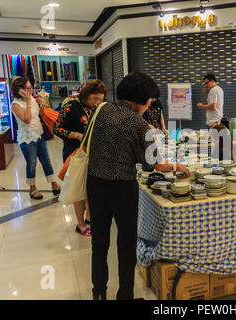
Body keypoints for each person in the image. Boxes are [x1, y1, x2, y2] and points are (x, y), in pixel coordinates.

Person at [86, 72, 190, 300]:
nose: (150, 105)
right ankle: (125, 295)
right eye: (150, 101)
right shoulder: (139, 124)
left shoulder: (101, 110)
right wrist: (176, 166)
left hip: (95, 185)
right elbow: (153, 164)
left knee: (99, 242)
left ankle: (98, 293)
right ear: (141, 99)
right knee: (125, 245)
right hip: (123, 189)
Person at [54, 79, 107, 237]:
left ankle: (89, 216)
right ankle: (81, 224)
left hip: (91, 153)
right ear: (86, 94)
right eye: (94, 99)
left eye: (100, 100)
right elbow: (57, 128)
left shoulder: (94, 108)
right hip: (75, 154)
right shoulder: (71, 105)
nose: (97, 102)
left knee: (90, 187)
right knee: (78, 190)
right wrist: (77, 135)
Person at [10, 77, 61, 200]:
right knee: (31, 164)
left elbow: (38, 116)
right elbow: (26, 119)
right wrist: (28, 102)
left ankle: (54, 184)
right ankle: (32, 188)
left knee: (46, 161)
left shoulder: (32, 99)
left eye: (30, 87)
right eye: (27, 88)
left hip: (38, 134)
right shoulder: (16, 104)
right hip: (27, 138)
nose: (30, 90)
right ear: (20, 90)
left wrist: (42, 105)